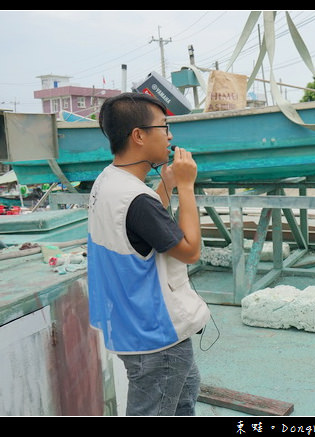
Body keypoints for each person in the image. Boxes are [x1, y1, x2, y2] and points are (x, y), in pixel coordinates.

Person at [87, 92, 210, 416]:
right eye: (163, 127)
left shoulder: (108, 180)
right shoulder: (137, 199)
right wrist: (186, 186)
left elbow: (141, 226)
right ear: (139, 135)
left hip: (131, 325)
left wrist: (166, 186)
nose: (169, 136)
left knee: (183, 401)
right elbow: (191, 251)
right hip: (157, 338)